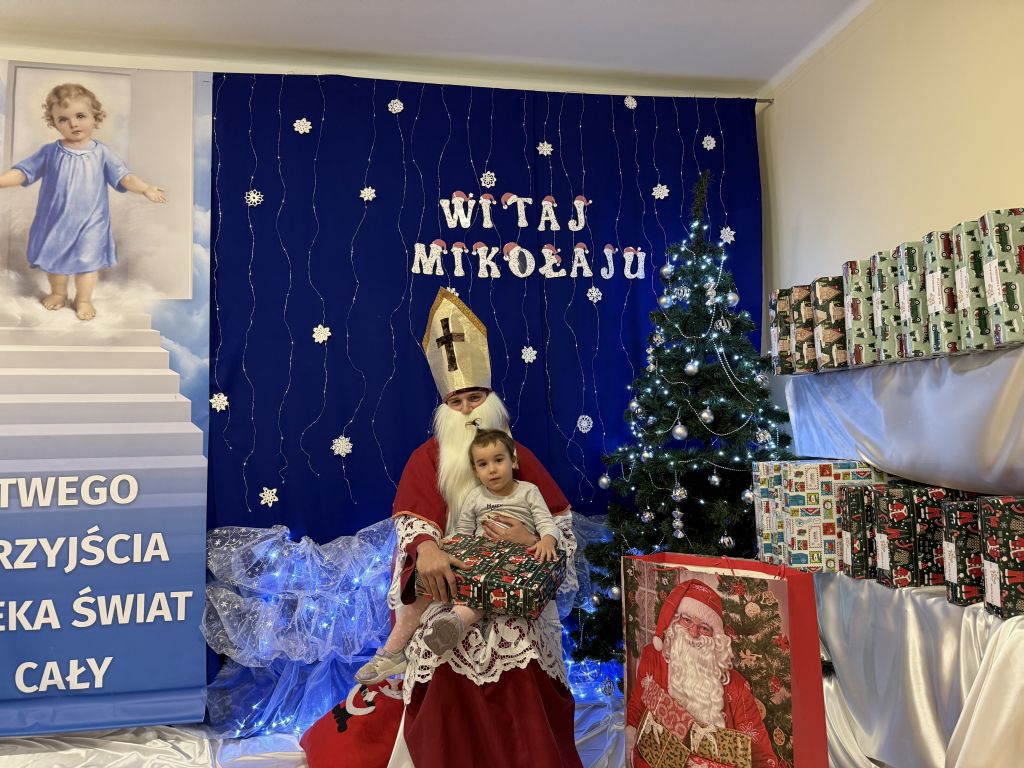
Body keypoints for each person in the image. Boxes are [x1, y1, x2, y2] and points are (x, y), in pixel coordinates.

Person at [380, 288, 582, 768]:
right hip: (452, 583)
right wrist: (426, 549)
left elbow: (557, 524)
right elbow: (414, 523)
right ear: (444, 407)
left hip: (515, 580)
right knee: (440, 650)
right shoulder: (425, 459)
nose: (469, 409)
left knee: (523, 651)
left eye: (476, 397)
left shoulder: (518, 457)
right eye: (458, 400)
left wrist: (532, 540)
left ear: (491, 400)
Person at [355, 428, 561, 684]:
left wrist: (545, 540)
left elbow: (547, 522)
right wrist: (447, 548)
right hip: (481, 555)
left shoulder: (528, 491)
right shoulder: (476, 496)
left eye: (499, 460)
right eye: (483, 464)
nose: (492, 470)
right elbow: (463, 531)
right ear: (475, 471)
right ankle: (392, 651)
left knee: (482, 594)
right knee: (430, 585)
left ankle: (453, 623)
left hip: (514, 560)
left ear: (514, 461)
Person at [0, 83, 167, 320]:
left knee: (88, 263)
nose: (73, 124)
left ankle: (83, 299)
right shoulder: (49, 152)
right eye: (63, 119)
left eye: (80, 116)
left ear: (95, 118)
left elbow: (125, 177)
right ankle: (58, 293)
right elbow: (23, 172)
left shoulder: (102, 153)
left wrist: (145, 189)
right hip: (55, 222)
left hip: (92, 223)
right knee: (55, 262)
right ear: (54, 123)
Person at [626, 579, 783, 768]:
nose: (693, 633)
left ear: (715, 637)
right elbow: (637, 708)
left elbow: (760, 754)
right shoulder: (653, 657)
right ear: (676, 621)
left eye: (704, 627)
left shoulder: (736, 686)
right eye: (687, 620)